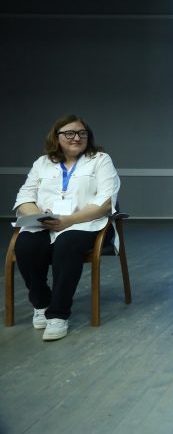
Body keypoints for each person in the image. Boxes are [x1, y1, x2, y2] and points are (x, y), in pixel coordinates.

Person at [13, 114, 120, 341]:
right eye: (69, 133)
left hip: (87, 224)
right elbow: (24, 198)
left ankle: (58, 315)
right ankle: (42, 303)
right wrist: (39, 217)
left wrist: (69, 221)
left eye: (82, 133)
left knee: (66, 244)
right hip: (46, 224)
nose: (77, 138)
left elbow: (105, 202)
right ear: (56, 137)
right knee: (25, 245)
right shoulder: (42, 163)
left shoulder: (100, 159)